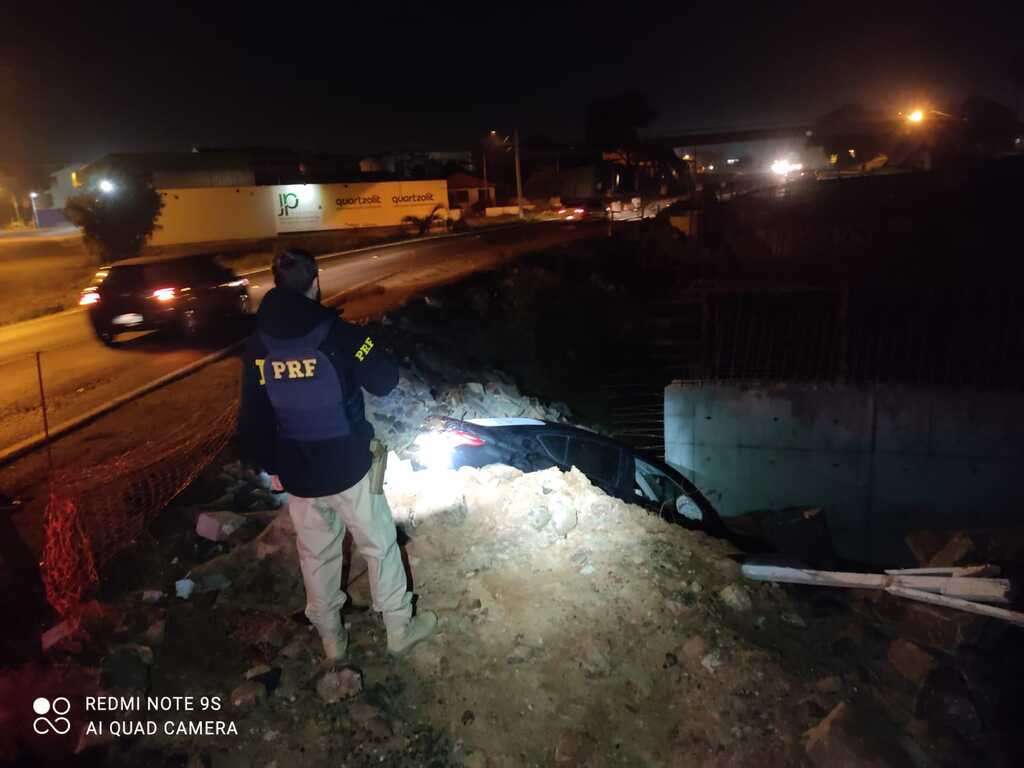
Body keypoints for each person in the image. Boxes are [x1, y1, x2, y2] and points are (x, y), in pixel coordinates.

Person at [237, 248, 436, 661]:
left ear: (276, 283)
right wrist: (370, 347)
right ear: (316, 282)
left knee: (316, 555)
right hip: (350, 468)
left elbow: (252, 416)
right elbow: (384, 380)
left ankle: (332, 639)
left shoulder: (257, 345)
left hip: (298, 475)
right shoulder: (340, 334)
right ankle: (399, 628)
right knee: (379, 545)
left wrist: (272, 467)